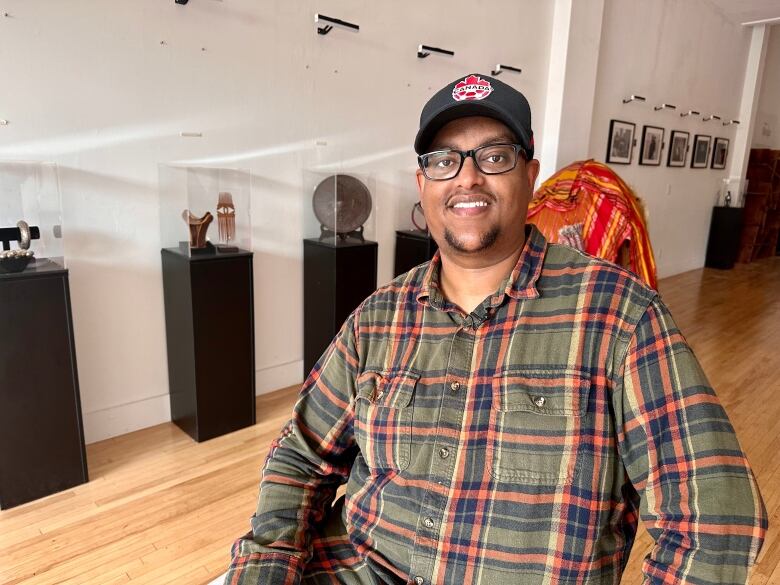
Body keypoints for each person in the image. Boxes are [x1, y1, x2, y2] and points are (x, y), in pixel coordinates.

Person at [226, 73, 767, 584]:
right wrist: (266, 568)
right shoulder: (379, 317)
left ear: (531, 176)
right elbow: (300, 455)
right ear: (423, 183)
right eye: (444, 160)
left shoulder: (618, 316)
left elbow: (717, 520)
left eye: (494, 156)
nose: (467, 177)